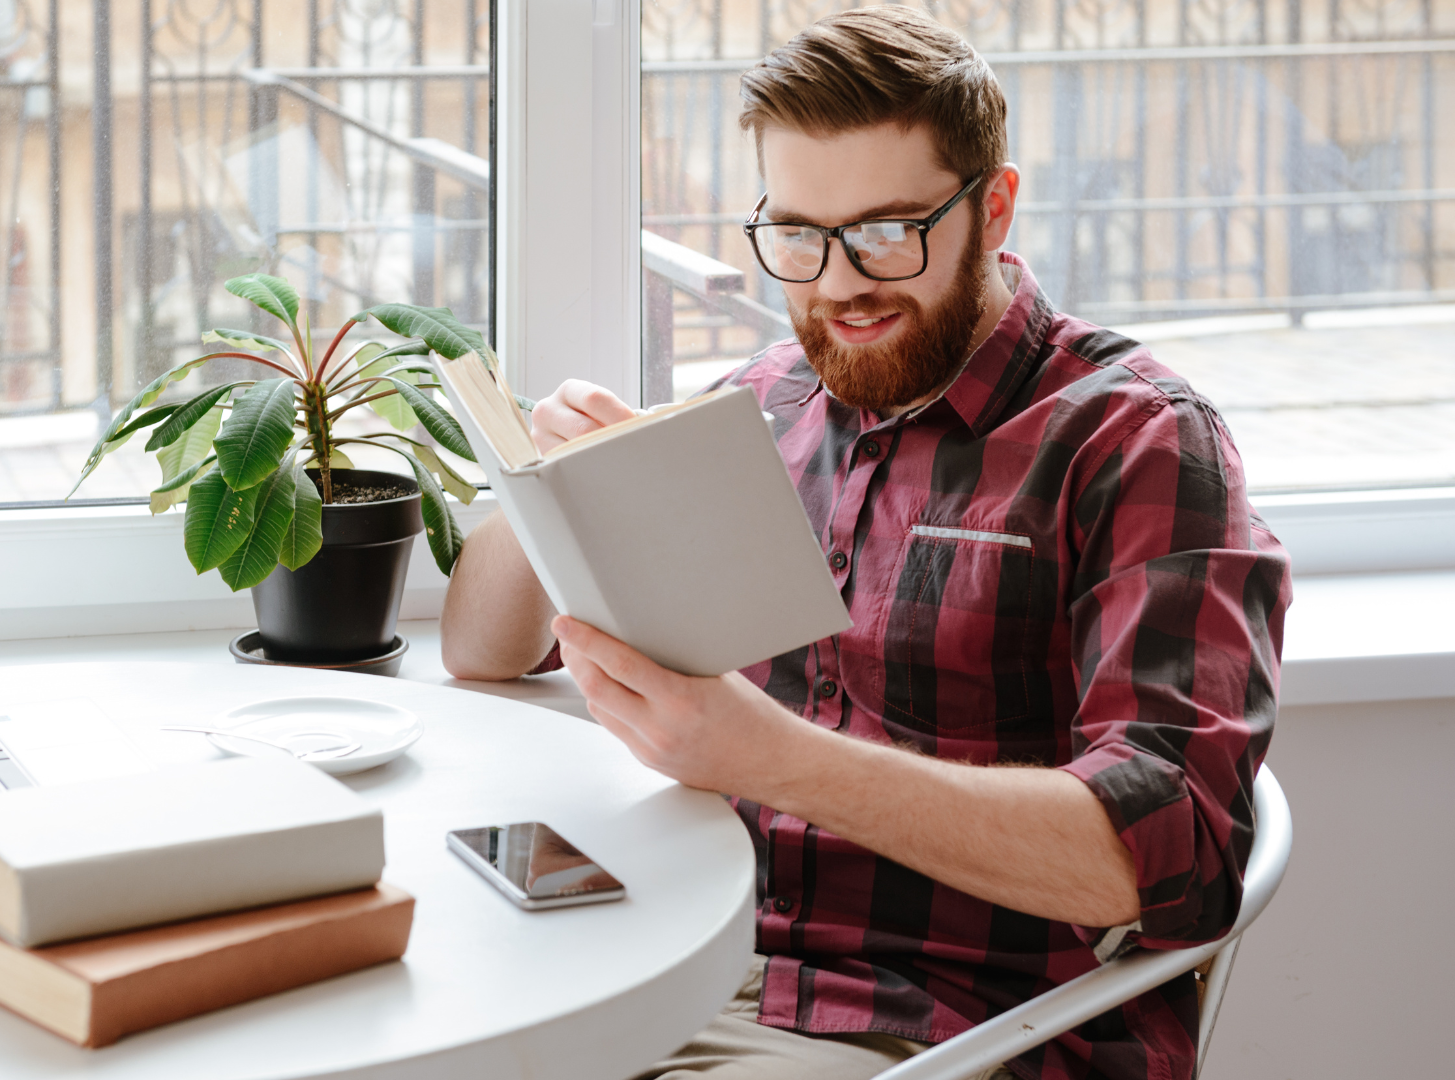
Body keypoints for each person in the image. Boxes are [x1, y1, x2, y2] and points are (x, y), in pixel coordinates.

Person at [441, 7, 1292, 1079]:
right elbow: (481, 651)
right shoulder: (764, 404)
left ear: (994, 208)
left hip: (951, 1027)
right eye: (798, 236)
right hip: (686, 958)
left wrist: (769, 760)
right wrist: (542, 486)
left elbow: (1172, 852)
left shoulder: (1137, 440)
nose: (840, 282)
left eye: (889, 232)